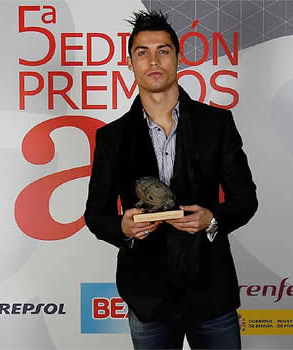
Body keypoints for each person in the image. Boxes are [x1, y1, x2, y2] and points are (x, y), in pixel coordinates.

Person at [84, 10, 258, 350]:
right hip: (147, 296)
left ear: (178, 58)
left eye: (163, 50)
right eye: (142, 52)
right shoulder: (112, 137)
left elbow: (245, 198)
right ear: (130, 63)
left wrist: (213, 219)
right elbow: (96, 214)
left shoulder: (216, 124)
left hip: (211, 290)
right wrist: (122, 227)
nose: (153, 61)